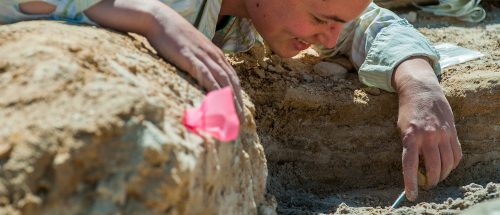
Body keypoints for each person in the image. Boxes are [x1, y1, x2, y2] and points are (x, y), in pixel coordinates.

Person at [0, 0, 462, 201]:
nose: (330, 38)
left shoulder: (262, 14)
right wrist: (145, 13)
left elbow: (368, 24)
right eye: (321, 18)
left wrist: (419, 80)